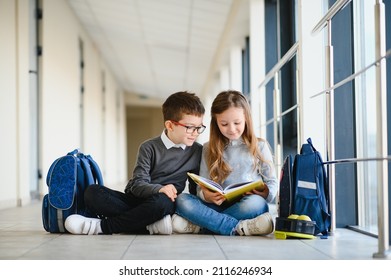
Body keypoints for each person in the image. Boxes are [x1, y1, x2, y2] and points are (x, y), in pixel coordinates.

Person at [64, 91, 206, 235]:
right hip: (137, 199)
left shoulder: (197, 151)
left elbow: (195, 188)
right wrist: (159, 188)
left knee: (163, 202)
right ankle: (150, 226)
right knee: (93, 192)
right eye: (190, 127)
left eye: (199, 127)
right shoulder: (149, 147)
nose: (195, 133)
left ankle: (103, 227)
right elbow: (138, 185)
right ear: (170, 125)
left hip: (162, 204)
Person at [172, 90, 278, 236]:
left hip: (245, 205)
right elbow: (201, 186)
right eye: (224, 124)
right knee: (182, 200)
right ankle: (240, 227)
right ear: (216, 123)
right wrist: (206, 195)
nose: (232, 129)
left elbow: (272, 183)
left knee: (257, 203)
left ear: (246, 118)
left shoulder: (259, 146)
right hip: (215, 206)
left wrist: (266, 193)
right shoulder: (208, 148)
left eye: (237, 123)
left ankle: (201, 225)